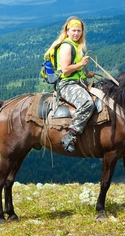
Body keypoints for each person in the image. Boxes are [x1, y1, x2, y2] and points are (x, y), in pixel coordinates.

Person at [46, 16, 95, 153]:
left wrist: (86, 74)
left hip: (77, 81)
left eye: (79, 31)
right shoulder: (67, 46)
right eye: (74, 30)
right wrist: (81, 64)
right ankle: (71, 135)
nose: (76, 34)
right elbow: (66, 70)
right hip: (66, 84)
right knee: (87, 103)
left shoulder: (76, 46)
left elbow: (75, 70)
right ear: (67, 31)